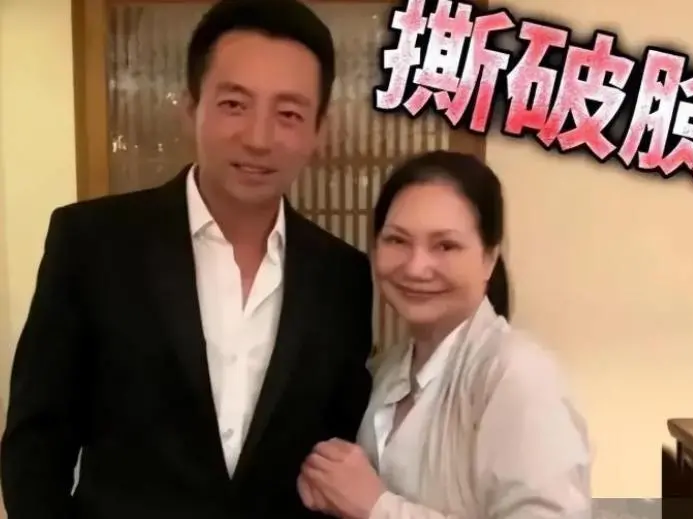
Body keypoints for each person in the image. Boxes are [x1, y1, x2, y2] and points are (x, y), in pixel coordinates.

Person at [0, 1, 373, 518]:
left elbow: (333, 453)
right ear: (190, 107)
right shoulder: (93, 243)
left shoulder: (343, 277)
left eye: (288, 114)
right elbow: (36, 443)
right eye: (234, 104)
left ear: (319, 130)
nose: (258, 138)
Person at [297, 150, 591, 519]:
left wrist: (378, 507)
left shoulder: (516, 373)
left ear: (489, 258)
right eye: (397, 240)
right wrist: (327, 483)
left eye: (445, 246)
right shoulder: (388, 370)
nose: (416, 267)